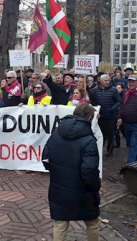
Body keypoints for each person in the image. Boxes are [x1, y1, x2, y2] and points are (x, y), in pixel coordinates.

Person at [42, 103, 101, 241]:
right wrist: (94, 186)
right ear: (90, 118)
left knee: (60, 222)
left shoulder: (57, 131)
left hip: (59, 186)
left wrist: (56, 172)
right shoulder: (89, 140)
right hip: (83, 189)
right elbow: (89, 170)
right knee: (92, 222)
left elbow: (45, 156)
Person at [91, 74, 121, 157]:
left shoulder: (113, 90)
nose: (108, 82)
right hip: (100, 117)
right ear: (100, 81)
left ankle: (109, 150)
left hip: (111, 116)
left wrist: (112, 108)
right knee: (100, 134)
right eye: (105, 80)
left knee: (110, 134)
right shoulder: (95, 91)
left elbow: (118, 101)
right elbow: (93, 103)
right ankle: (99, 149)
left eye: (109, 80)